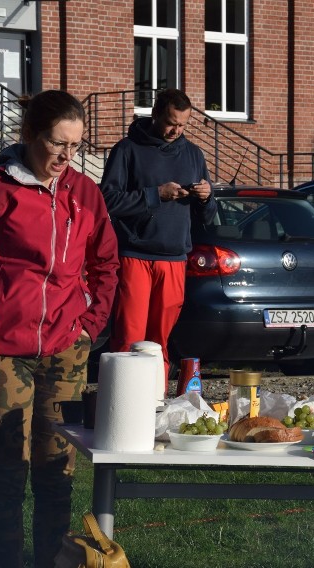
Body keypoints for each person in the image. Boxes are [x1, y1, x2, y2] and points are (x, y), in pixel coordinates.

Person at [0, 90, 119, 566]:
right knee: (9, 471)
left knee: (58, 468)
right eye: (57, 144)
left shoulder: (84, 191)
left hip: (65, 351)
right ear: (29, 134)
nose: (66, 157)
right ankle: (7, 560)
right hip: (3, 352)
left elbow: (106, 263)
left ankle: (53, 558)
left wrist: (88, 325)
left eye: (76, 146)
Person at [99, 88, 216, 390]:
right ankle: (122, 407)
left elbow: (206, 216)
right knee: (129, 338)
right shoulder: (126, 149)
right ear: (155, 115)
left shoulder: (193, 154)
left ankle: (156, 402)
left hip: (175, 258)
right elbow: (107, 200)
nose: (176, 131)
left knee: (159, 341)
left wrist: (206, 197)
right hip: (135, 255)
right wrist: (155, 195)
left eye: (182, 125)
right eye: (170, 123)